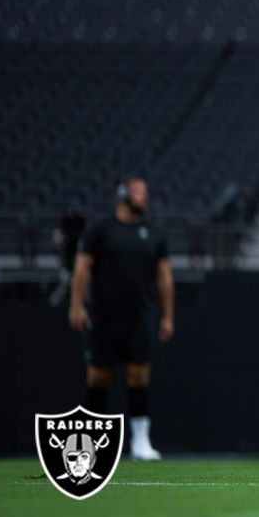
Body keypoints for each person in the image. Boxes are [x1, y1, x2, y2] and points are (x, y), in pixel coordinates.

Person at [68, 177, 174, 460]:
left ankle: (140, 441)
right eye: (138, 191)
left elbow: (164, 277)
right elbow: (82, 268)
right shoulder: (102, 231)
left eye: (145, 192)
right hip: (104, 316)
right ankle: (91, 442)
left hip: (139, 315)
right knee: (99, 376)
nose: (143, 197)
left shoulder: (152, 234)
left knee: (139, 374)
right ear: (123, 194)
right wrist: (76, 305)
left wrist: (168, 316)